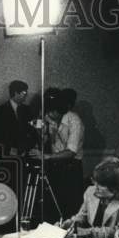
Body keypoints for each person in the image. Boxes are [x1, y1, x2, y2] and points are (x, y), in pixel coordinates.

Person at [58, 156, 119, 238]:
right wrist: (71, 223)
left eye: (100, 185)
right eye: (95, 183)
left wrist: (89, 232)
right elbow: (82, 216)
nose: (95, 188)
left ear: (114, 188)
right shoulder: (90, 192)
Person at [38, 90, 85, 221]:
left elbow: (71, 152)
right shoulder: (49, 118)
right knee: (53, 205)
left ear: (59, 111)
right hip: (54, 166)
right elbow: (46, 142)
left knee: (70, 208)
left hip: (71, 168)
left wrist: (46, 157)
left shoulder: (74, 121)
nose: (48, 115)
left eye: (51, 113)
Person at [0, 79, 36, 157]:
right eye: (24, 93)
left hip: (26, 153)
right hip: (10, 155)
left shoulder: (27, 109)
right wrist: (9, 149)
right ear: (16, 93)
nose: (26, 95)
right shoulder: (1, 110)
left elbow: (31, 129)